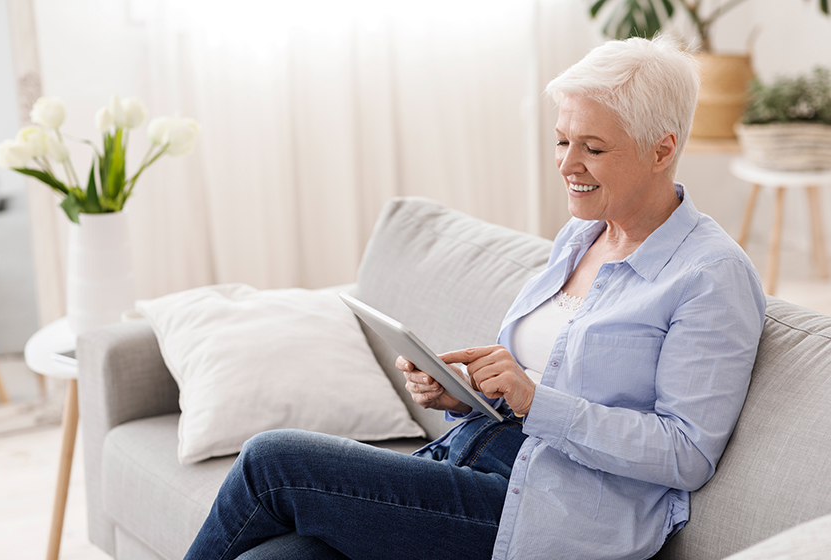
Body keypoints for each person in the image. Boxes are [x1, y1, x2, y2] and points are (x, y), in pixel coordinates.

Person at [184, 35, 766, 560]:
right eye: (562, 140)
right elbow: (549, 373)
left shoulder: (711, 275)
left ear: (662, 150)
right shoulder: (582, 235)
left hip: (545, 513)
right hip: (466, 461)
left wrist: (537, 402)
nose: (567, 165)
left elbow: (686, 453)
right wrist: (465, 394)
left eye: (592, 147)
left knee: (272, 461)